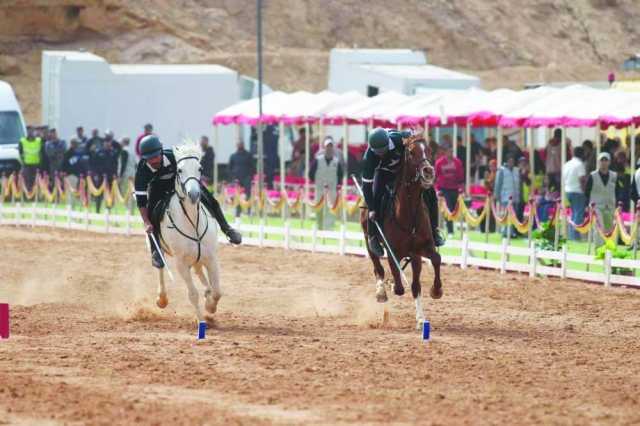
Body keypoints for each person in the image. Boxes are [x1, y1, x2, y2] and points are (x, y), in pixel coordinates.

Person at [134, 135, 242, 268]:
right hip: (157, 188)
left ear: (161, 151)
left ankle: (227, 229)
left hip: (180, 182)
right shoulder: (142, 169)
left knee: (210, 199)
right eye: (149, 158)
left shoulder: (174, 156)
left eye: (155, 156)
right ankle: (156, 251)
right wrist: (146, 222)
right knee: (152, 213)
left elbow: (190, 166)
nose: (153, 160)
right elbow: (141, 199)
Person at [361, 128, 444, 257]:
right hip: (383, 173)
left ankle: (434, 230)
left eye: (383, 150)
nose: (381, 154)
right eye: (378, 152)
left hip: (403, 171)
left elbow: (416, 140)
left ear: (388, 143)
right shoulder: (369, 158)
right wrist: (371, 208)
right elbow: (366, 187)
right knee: (375, 198)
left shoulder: (399, 138)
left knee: (430, 193)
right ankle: (373, 237)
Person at [310, 137, 343, 230]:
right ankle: (319, 226)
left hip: (332, 189)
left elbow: (340, 175)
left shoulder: (336, 162)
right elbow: (311, 173)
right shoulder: (317, 160)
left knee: (331, 209)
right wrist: (317, 182)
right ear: (324, 148)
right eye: (327, 146)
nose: (329, 148)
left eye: (331, 146)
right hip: (319, 189)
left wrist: (337, 185)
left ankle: (329, 228)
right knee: (318, 209)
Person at [585, 152, 617, 244]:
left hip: (610, 205)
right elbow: (587, 191)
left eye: (606, 160)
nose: (604, 162)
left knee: (609, 227)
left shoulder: (614, 176)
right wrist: (587, 205)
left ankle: (609, 248)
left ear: (609, 162)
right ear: (598, 162)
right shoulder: (592, 175)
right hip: (596, 206)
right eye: (602, 160)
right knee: (599, 226)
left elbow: (617, 190)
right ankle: (599, 248)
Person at [435, 142, 464, 235]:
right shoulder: (439, 163)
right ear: (445, 152)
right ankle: (450, 230)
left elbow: (460, 176)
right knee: (449, 208)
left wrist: (461, 188)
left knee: (455, 208)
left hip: (455, 188)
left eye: (452, 151)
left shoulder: (457, 162)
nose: (450, 153)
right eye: (449, 151)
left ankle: (452, 226)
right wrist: (437, 189)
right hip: (444, 189)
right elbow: (436, 176)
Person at [562, 146, 587, 240]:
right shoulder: (580, 164)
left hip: (568, 190)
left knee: (573, 214)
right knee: (578, 214)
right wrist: (585, 191)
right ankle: (575, 236)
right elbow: (582, 179)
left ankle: (571, 235)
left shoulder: (567, 164)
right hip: (578, 191)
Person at [494, 154, 520, 237]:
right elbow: (498, 184)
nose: (511, 162)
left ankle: (511, 232)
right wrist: (497, 196)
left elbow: (519, 184)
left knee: (513, 216)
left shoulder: (516, 170)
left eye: (512, 161)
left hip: (515, 197)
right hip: (505, 197)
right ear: (507, 161)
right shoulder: (502, 170)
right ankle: (504, 231)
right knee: (505, 215)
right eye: (510, 161)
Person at [228, 139, 254, 214]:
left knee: (248, 194)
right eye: (238, 144)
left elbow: (252, 166)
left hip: (246, 178)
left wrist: (250, 176)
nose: (240, 145)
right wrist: (233, 178)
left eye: (241, 144)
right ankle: (238, 211)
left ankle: (249, 210)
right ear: (236, 146)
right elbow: (229, 168)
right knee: (237, 194)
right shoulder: (233, 156)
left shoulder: (248, 155)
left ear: (243, 145)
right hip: (237, 179)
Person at [18, 125, 45, 190]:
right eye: (28, 130)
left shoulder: (39, 140)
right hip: (27, 165)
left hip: (37, 164)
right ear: (26, 131)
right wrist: (23, 161)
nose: (30, 132)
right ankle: (29, 196)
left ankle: (37, 195)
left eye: (31, 130)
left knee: (37, 181)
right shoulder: (22, 141)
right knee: (27, 181)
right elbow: (20, 152)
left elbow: (42, 151)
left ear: (33, 131)